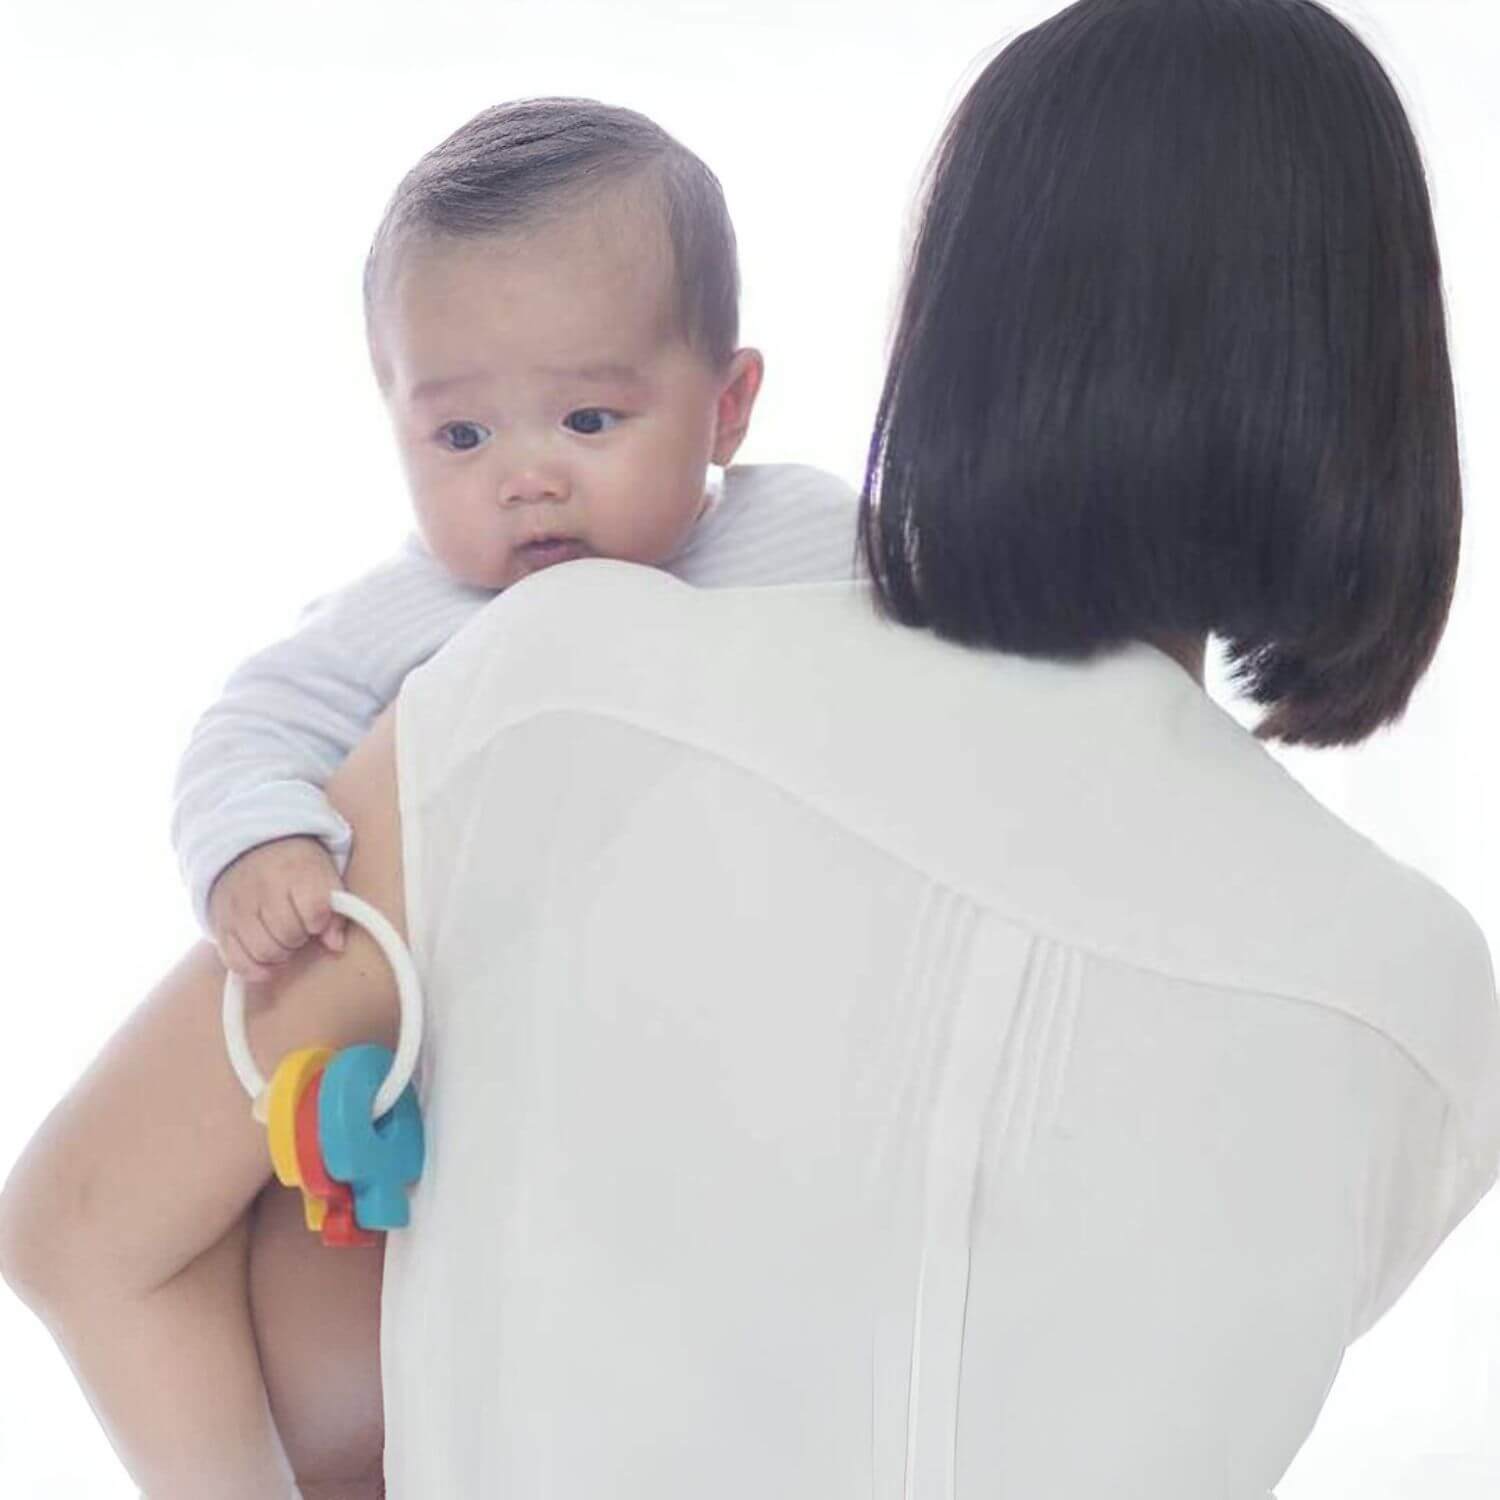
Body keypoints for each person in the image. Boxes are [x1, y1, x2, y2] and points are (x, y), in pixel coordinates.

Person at [4, 0, 1499, 1495]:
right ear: (1381, 389)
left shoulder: (565, 687)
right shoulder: (1424, 1008)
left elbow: (82, 1229)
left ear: (956, 321)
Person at [174, 94, 859, 986]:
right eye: (462, 436)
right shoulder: (402, 616)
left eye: (586, 418)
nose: (527, 480)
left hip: (795, 967)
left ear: (725, 410)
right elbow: (251, 728)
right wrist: (259, 844)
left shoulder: (812, 540)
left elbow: (980, 638)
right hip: (531, 1011)